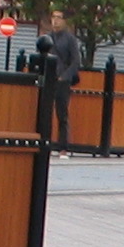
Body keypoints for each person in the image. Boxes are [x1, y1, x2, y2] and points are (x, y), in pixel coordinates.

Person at [42, 11, 83, 146]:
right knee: (44, 113)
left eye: (59, 18)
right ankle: (44, 143)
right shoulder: (46, 38)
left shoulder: (70, 39)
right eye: (53, 17)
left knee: (62, 114)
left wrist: (64, 77)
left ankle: (63, 146)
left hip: (62, 81)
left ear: (64, 21)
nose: (55, 20)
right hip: (48, 79)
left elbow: (76, 61)